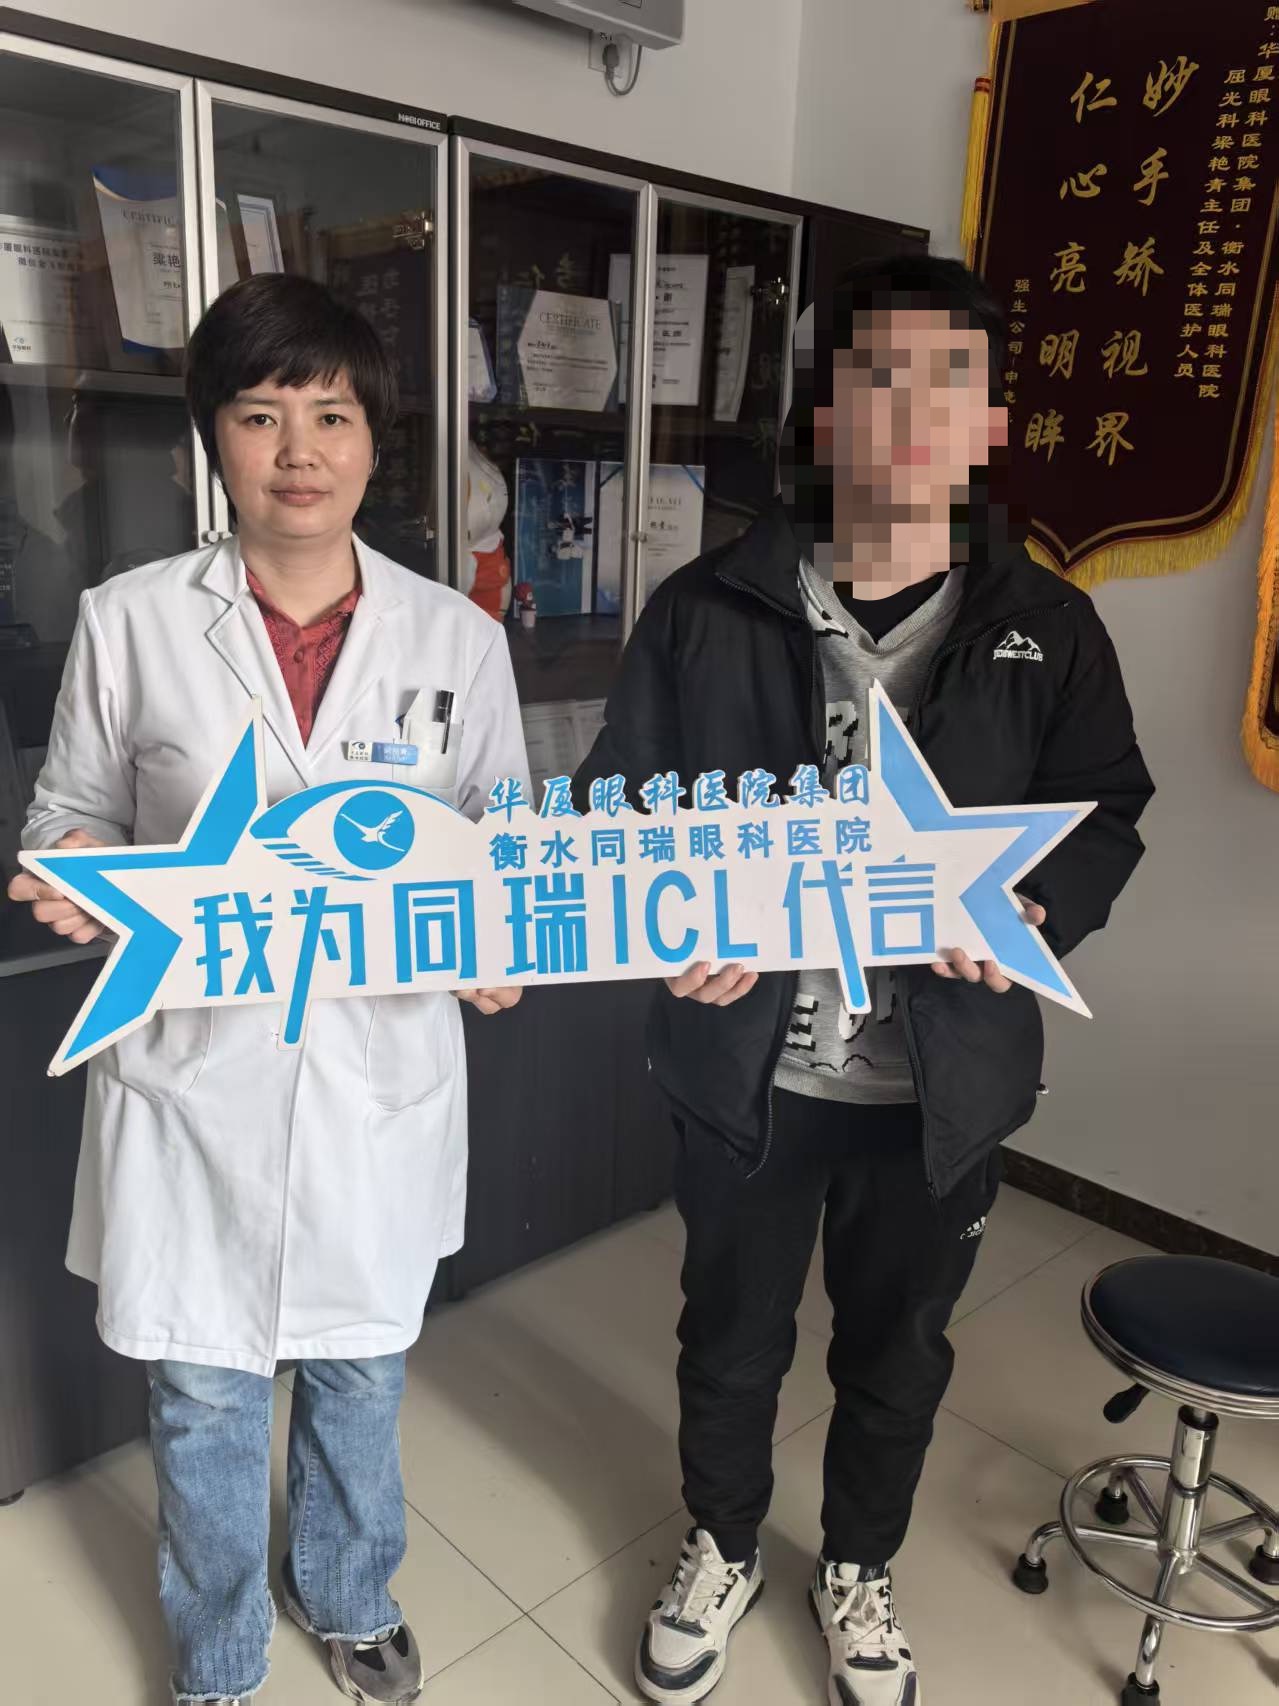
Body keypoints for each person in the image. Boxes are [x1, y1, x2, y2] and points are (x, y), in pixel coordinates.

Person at [574, 254, 1154, 1706]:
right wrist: (670, 923)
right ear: (824, 412)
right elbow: (615, 808)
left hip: (939, 1084)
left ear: (990, 425)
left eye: (946, 386)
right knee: (730, 1337)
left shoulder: (1046, 625)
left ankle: (856, 1566)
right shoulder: (705, 606)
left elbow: (1107, 809)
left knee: (898, 1350)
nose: (907, 417)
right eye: (874, 379)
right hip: (749, 1071)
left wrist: (1033, 907)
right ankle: (721, 1542)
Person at [7, 273, 528, 1706]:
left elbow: (507, 844)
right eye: (260, 414)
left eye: (331, 414)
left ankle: (349, 1594)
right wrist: (77, 876)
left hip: (378, 1078)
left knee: (362, 1369)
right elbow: (67, 814)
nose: (299, 450)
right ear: (214, 437)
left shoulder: (456, 639)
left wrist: (503, 949)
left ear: (373, 438)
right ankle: (221, 1651)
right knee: (204, 1388)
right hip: (196, 1076)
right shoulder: (129, 621)